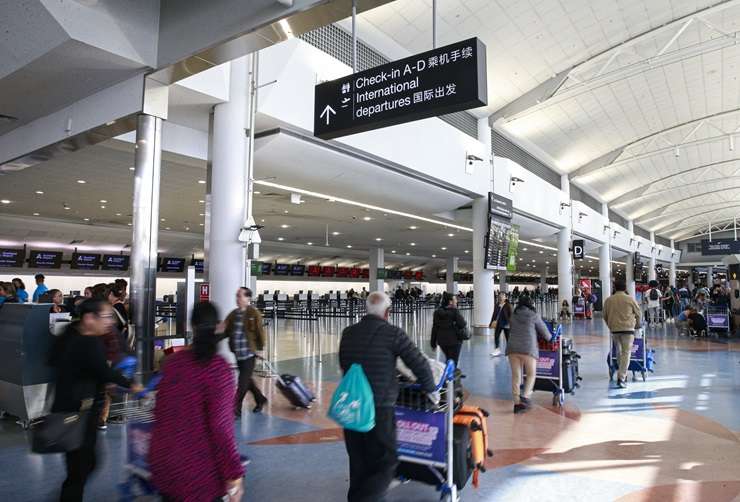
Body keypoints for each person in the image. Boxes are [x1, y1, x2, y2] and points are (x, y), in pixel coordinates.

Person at [339, 292, 434, 502]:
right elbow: (418, 362)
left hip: (352, 406)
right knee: (386, 460)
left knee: (358, 460)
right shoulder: (392, 333)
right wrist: (430, 387)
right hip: (380, 406)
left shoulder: (348, 332)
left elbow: (344, 363)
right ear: (387, 312)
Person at [150, 302, 245, 502]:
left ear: (191, 326)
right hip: (199, 471)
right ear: (219, 326)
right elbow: (220, 427)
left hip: (165, 463)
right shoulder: (218, 369)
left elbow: (160, 412)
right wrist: (234, 473)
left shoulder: (173, 363)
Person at [49, 298, 140, 502]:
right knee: (82, 467)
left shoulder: (72, 334)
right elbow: (104, 371)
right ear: (90, 318)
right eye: (106, 317)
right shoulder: (87, 341)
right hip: (77, 414)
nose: (110, 322)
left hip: (72, 410)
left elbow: (58, 361)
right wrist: (132, 385)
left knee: (82, 466)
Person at [224, 287, 267, 415]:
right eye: (237, 296)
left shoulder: (254, 313)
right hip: (238, 354)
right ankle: (260, 399)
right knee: (247, 381)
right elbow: (226, 330)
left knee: (242, 383)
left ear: (248, 298)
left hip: (249, 354)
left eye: (240, 296)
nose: (237, 298)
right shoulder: (233, 314)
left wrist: (260, 349)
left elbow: (260, 332)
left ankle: (235, 409)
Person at [507, 295, 551, 413]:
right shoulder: (533, 315)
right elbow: (546, 334)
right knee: (531, 374)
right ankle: (525, 397)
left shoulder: (513, 315)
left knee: (516, 376)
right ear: (530, 303)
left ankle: (517, 403)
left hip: (512, 348)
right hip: (528, 348)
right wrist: (550, 337)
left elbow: (511, 329)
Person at [603, 279, 642, 389]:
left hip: (615, 330)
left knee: (619, 351)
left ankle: (621, 372)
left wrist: (610, 325)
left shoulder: (608, 300)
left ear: (614, 288)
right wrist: (637, 325)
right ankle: (622, 377)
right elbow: (638, 313)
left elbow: (605, 315)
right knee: (626, 353)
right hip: (628, 329)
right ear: (625, 288)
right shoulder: (630, 299)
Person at [430, 292, 468, 367]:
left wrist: (433, 343)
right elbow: (462, 324)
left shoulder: (437, 312)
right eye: (455, 299)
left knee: (449, 358)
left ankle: (450, 373)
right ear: (450, 302)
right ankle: (451, 376)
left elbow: (434, 328)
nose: (456, 301)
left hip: (442, 341)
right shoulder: (454, 311)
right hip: (454, 341)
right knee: (453, 361)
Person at [489, 293, 512, 357]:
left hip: (506, 323)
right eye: (500, 296)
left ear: (505, 297)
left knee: (508, 338)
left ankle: (510, 350)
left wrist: (511, 323)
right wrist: (491, 323)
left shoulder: (508, 305)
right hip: (498, 323)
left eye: (502, 296)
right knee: (496, 336)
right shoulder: (497, 305)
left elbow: (511, 315)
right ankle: (497, 349)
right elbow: (494, 314)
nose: (501, 297)